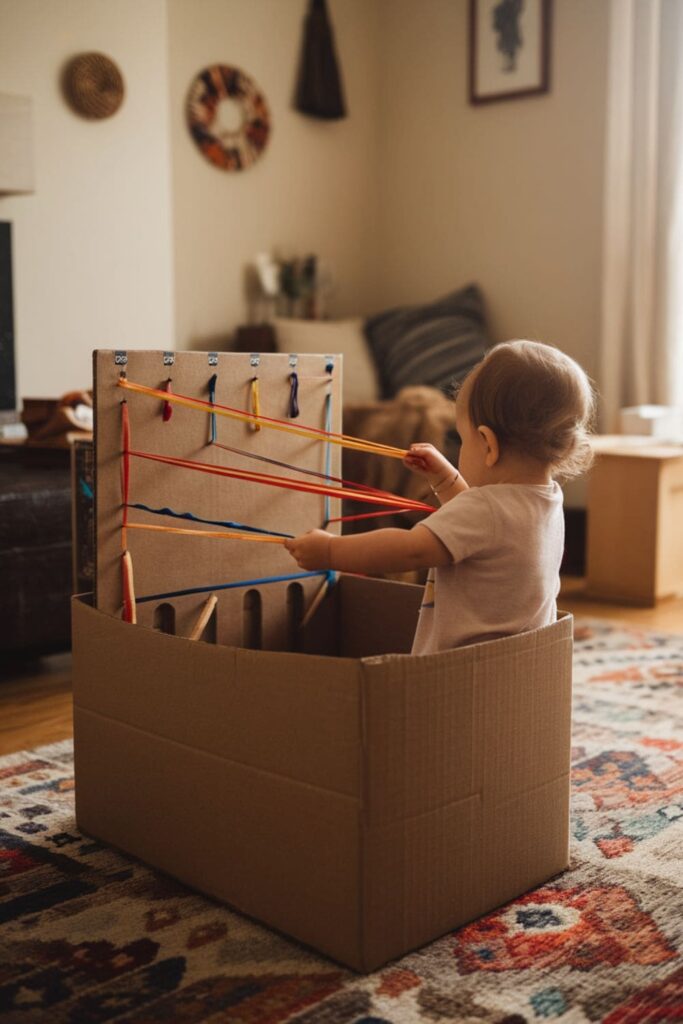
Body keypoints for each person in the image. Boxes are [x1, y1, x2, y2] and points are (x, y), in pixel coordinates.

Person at [285, 340, 595, 654]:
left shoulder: (485, 511)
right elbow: (481, 532)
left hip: (461, 675)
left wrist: (329, 550)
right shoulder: (546, 500)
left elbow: (412, 551)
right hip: (515, 666)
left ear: (488, 444)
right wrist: (447, 480)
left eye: (462, 438)